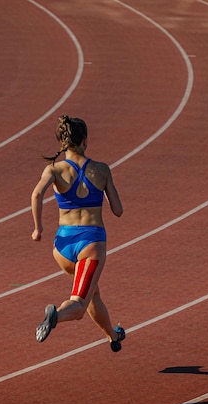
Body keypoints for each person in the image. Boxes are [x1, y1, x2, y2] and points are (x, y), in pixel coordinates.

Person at [31, 115, 125, 352]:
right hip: (90, 245)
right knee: (79, 304)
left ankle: (113, 336)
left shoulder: (54, 169)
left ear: (62, 142)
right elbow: (118, 210)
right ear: (85, 140)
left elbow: (36, 195)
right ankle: (56, 315)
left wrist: (38, 228)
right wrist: (101, 187)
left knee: (92, 293)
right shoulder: (101, 170)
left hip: (62, 247)